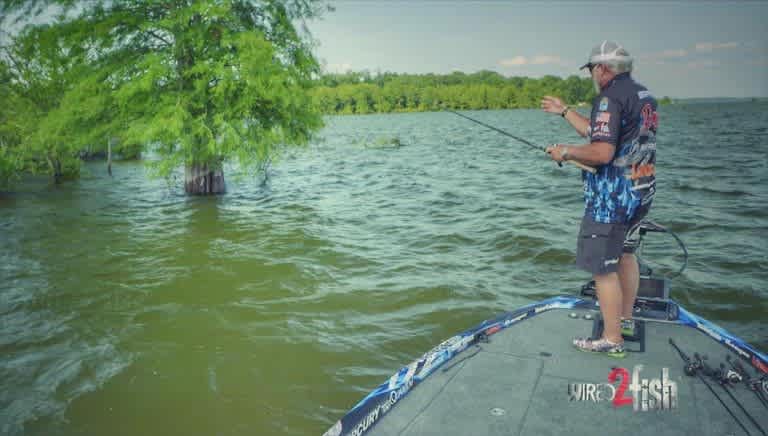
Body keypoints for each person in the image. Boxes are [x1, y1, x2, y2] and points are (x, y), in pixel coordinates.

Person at [541, 40, 658, 357]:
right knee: (626, 255)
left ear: (603, 68)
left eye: (593, 69)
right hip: (639, 192)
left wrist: (565, 152)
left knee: (603, 269)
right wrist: (565, 111)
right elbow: (600, 132)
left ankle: (611, 338)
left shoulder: (609, 98)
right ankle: (625, 320)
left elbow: (602, 152)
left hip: (613, 200)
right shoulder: (641, 95)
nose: (592, 75)